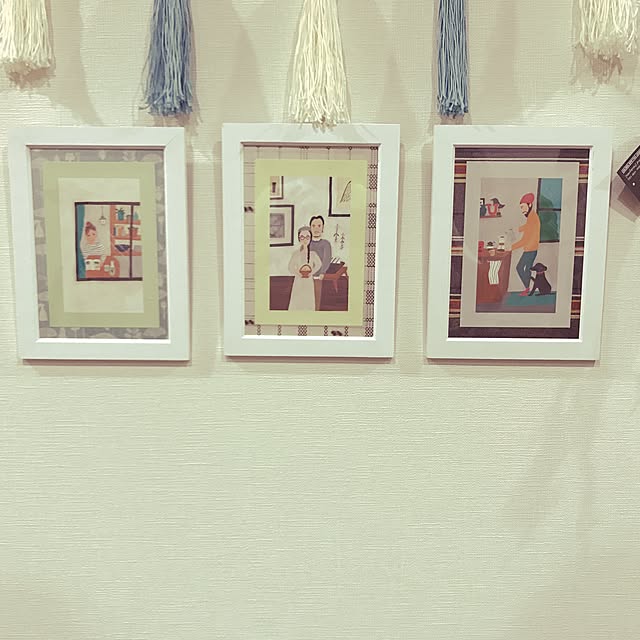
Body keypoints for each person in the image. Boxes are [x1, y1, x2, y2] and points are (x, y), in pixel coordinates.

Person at [511, 192, 541, 296]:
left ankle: (527, 288)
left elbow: (524, 240)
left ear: (530, 205)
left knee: (520, 268)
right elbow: (528, 227)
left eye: (523, 207)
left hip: (530, 249)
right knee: (526, 268)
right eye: (521, 208)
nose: (522, 210)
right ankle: (527, 288)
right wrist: (518, 229)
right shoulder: (532, 217)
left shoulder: (532, 218)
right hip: (531, 248)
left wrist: (511, 247)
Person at [288, 226, 322, 311]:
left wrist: (311, 272)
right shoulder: (296, 254)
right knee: (297, 301)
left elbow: (319, 264)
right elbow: (290, 267)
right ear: (299, 239)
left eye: (307, 237)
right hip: (298, 280)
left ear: (310, 238)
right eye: (302, 237)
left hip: (309, 281)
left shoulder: (313, 254)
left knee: (308, 300)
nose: (305, 240)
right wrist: (298, 273)